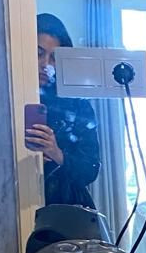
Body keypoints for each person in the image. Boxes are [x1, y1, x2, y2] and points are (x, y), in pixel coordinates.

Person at [29, 13, 100, 208]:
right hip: (13, 202)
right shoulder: (4, 101)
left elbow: (90, 170)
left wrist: (56, 152)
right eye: (38, 53)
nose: (45, 64)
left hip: (66, 207)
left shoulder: (77, 105)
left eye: (54, 58)